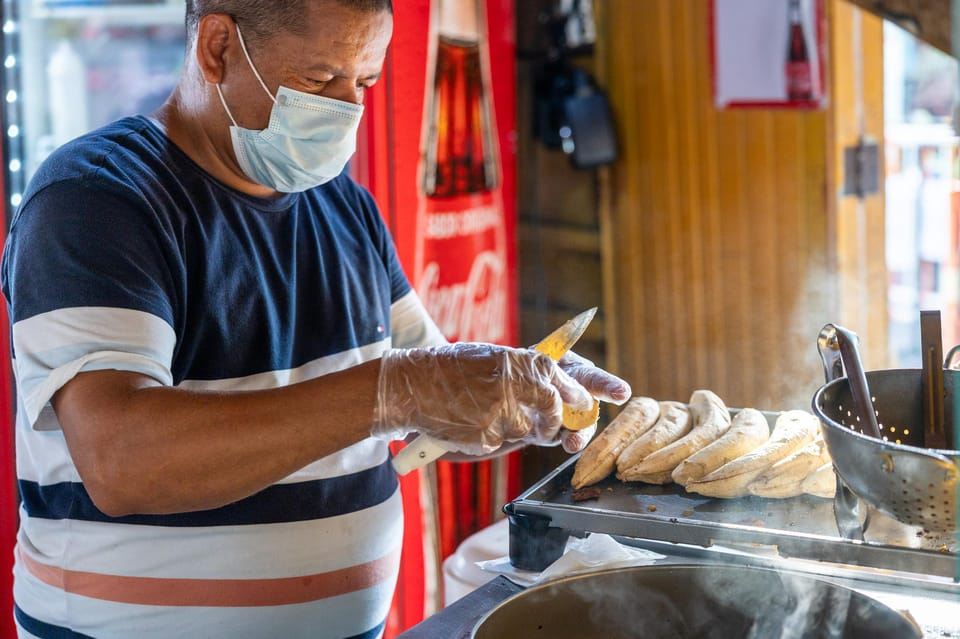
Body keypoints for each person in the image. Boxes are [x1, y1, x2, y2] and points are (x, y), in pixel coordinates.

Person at [1, 1, 631, 637]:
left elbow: (430, 403)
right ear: (218, 47)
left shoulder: (346, 207)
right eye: (319, 80)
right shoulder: (98, 197)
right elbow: (121, 462)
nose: (347, 108)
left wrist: (516, 393)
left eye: (365, 82)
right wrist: (398, 389)